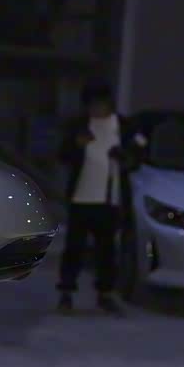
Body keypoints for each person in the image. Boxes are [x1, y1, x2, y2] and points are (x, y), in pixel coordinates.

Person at [56, 81, 144, 313]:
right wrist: (76, 146)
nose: (96, 109)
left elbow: (137, 155)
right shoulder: (79, 126)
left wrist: (125, 158)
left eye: (100, 104)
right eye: (92, 105)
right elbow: (62, 155)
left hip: (110, 199)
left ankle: (105, 292)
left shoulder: (123, 127)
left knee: (106, 249)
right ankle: (66, 291)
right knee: (74, 248)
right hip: (81, 197)